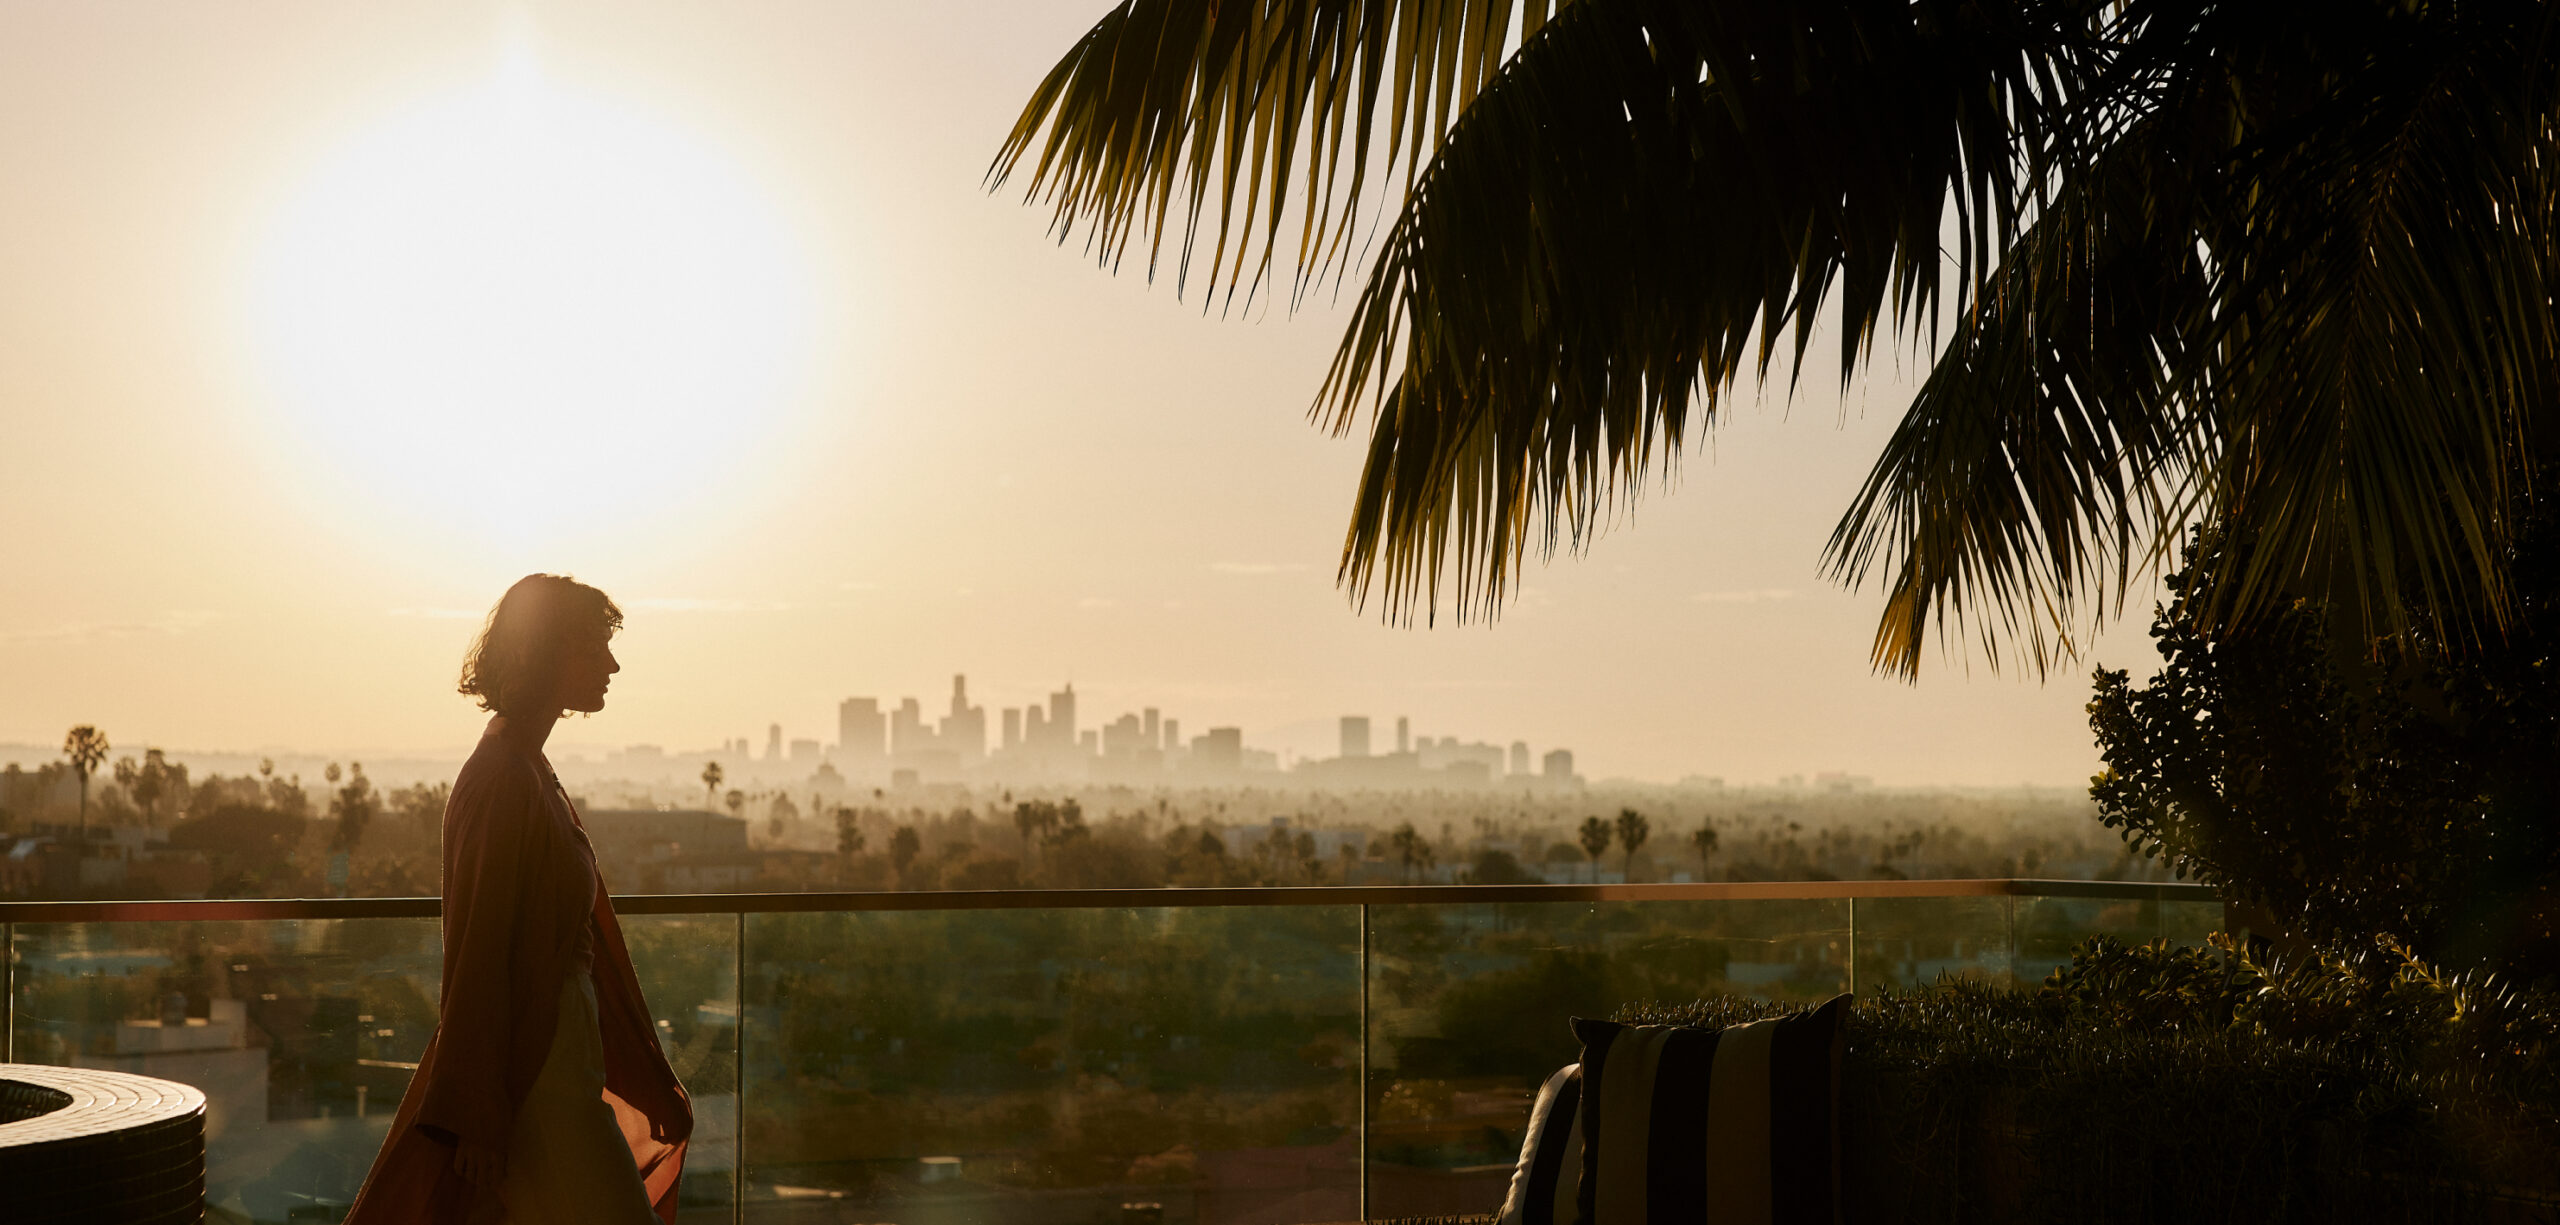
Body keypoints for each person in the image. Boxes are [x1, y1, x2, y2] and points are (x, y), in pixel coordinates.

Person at [346, 574, 692, 1225]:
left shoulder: (527, 769)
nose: (613, 664)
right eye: (596, 647)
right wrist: (478, 1113)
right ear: (550, 653)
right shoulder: (505, 779)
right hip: (539, 1079)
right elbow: (478, 953)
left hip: (557, 1067)